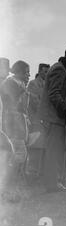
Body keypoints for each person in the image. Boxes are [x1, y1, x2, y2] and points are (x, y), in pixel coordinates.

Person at [38, 46, 66, 192]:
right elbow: (54, 94)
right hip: (53, 117)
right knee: (53, 151)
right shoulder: (59, 69)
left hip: (59, 117)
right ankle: (53, 184)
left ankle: (62, 180)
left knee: (61, 149)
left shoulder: (64, 68)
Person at [0, 60, 30, 201]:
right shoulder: (11, 84)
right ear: (18, 71)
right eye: (26, 72)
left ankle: (12, 190)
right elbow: (12, 105)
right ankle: (8, 191)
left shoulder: (19, 84)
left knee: (20, 157)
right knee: (17, 156)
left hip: (18, 123)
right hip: (13, 124)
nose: (28, 75)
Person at [26, 63, 50, 178]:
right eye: (45, 72)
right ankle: (32, 174)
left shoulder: (47, 84)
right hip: (36, 120)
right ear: (40, 71)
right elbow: (35, 103)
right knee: (36, 147)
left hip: (45, 121)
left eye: (48, 72)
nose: (47, 74)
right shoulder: (33, 83)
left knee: (43, 148)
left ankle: (39, 173)